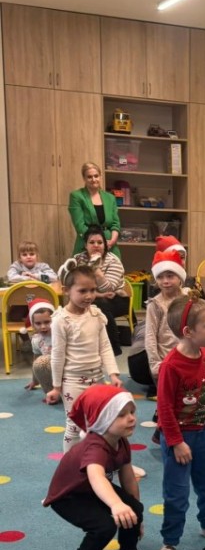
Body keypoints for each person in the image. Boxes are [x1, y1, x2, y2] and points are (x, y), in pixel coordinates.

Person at [43, 385, 158, 550]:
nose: (131, 418)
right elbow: (96, 477)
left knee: (134, 509)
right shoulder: (95, 446)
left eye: (132, 412)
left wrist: (135, 516)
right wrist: (116, 505)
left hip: (93, 490)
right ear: (102, 421)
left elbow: (128, 477)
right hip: (68, 497)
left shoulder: (120, 441)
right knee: (104, 526)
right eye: (121, 415)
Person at [155, 293, 205, 550]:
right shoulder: (171, 366)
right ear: (188, 332)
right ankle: (170, 541)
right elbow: (164, 408)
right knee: (176, 494)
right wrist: (176, 442)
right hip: (179, 438)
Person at [48, 259, 123, 453]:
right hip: (72, 380)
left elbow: (105, 346)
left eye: (92, 290)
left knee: (98, 422)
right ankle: (69, 463)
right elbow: (57, 355)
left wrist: (113, 373)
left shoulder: (96, 315)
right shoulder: (61, 320)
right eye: (82, 291)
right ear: (66, 290)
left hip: (97, 378)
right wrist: (56, 386)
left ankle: (94, 459)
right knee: (74, 425)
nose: (89, 296)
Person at [145, 249, 189, 443]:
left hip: (187, 357)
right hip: (165, 360)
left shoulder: (189, 299)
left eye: (170, 276)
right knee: (168, 400)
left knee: (185, 398)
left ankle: (172, 430)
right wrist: (155, 363)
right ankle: (166, 434)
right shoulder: (155, 304)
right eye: (161, 277)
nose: (165, 281)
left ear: (180, 277)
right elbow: (150, 336)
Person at [74, 225, 130, 356]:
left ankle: (113, 347)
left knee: (99, 305)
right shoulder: (79, 259)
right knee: (82, 303)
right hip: (92, 297)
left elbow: (109, 289)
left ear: (105, 245)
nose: (96, 245)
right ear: (86, 245)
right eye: (92, 242)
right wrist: (98, 294)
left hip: (116, 299)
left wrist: (96, 270)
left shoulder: (113, 261)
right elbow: (74, 286)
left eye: (100, 242)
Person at [68, 162, 121, 258]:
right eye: (89, 177)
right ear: (84, 178)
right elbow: (79, 226)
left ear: (100, 176)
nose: (93, 179)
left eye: (96, 176)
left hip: (109, 245)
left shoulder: (110, 198)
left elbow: (115, 224)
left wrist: (112, 241)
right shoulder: (76, 196)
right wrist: (96, 243)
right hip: (87, 244)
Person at [22, 299, 56, 401]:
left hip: (68, 370)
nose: (43, 327)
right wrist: (35, 380)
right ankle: (51, 393)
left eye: (47, 322)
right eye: (38, 323)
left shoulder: (62, 334)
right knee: (40, 363)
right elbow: (36, 360)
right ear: (33, 325)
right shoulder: (36, 340)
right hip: (52, 371)